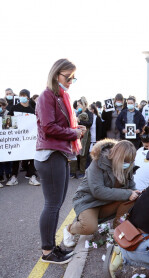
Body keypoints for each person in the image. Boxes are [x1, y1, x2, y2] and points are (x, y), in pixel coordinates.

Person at [34, 58, 86, 264]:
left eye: (74, 77)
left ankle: (51, 247)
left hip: (58, 153)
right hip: (50, 154)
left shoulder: (59, 96)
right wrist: (74, 132)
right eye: (68, 76)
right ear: (57, 75)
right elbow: (48, 127)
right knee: (53, 204)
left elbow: (57, 126)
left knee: (55, 204)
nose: (71, 81)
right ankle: (47, 252)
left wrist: (76, 130)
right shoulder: (47, 96)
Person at [63, 140, 140, 247]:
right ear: (117, 156)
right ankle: (69, 229)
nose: (127, 164)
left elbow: (131, 188)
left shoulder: (128, 165)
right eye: (125, 161)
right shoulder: (98, 162)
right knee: (89, 227)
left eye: (130, 161)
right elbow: (98, 191)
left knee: (132, 198)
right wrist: (128, 193)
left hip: (107, 202)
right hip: (88, 202)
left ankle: (117, 231)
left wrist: (135, 193)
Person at [7, 89, 40, 186]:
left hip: (29, 139)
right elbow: (7, 124)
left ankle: (32, 176)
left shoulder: (32, 110)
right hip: (17, 138)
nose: (22, 97)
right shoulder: (14, 108)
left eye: (24, 95)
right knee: (16, 158)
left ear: (28, 98)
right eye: (21, 95)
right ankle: (13, 177)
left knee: (32, 156)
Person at [0, 98, 12, 187]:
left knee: (8, 158)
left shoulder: (8, 114)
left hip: (6, 141)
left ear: (4, 106)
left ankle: (8, 174)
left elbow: (10, 129)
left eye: (1, 106)